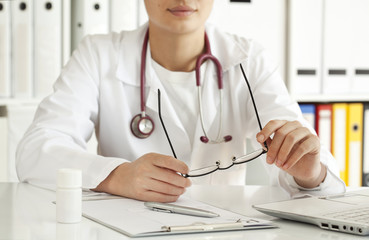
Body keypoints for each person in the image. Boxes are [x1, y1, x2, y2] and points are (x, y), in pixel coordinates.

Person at [16, 0, 345, 203]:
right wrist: (116, 176)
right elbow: (36, 151)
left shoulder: (247, 59)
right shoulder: (99, 54)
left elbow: (317, 181)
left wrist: (307, 171)